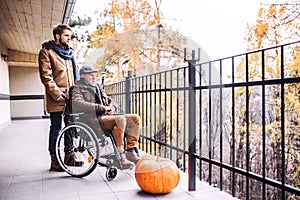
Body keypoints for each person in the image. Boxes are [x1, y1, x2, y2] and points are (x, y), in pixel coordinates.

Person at [69, 66, 140, 168]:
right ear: (82, 76)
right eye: (90, 75)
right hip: (92, 119)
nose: (93, 77)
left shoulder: (98, 86)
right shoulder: (76, 88)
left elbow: (110, 100)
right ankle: (119, 155)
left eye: (94, 74)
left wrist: (112, 107)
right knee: (120, 119)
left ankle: (130, 150)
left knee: (135, 118)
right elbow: (77, 103)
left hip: (106, 116)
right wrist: (101, 108)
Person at [38, 24, 83, 171]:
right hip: (56, 97)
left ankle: (69, 156)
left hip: (71, 97)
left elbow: (74, 76)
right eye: (66, 36)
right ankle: (54, 159)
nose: (69, 39)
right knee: (56, 128)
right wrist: (57, 94)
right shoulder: (46, 52)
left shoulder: (70, 54)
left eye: (70, 36)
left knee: (70, 126)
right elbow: (46, 76)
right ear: (58, 36)